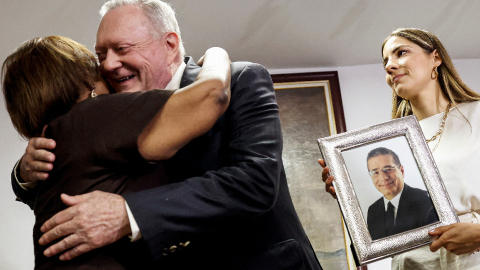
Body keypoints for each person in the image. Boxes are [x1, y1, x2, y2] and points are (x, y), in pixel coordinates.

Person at [10, 1, 322, 269]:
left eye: (121, 49)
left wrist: (130, 213)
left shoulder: (241, 78)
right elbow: (74, 178)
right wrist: (22, 174)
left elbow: (256, 181)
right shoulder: (103, 114)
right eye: (101, 54)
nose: (108, 64)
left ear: (170, 44)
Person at [3, 35, 231, 269]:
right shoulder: (95, 115)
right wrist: (217, 53)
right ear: (85, 74)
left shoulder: (55, 139)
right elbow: (211, 96)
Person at [320, 28, 480, 269]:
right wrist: (351, 198)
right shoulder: (392, 142)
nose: (390, 66)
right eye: (385, 61)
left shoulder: (477, 115)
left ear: (435, 58)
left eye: (401, 53)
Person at [365, 147, 438, 240]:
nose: (383, 177)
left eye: (388, 169)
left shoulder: (426, 200)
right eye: (375, 172)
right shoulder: (373, 210)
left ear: (402, 171)